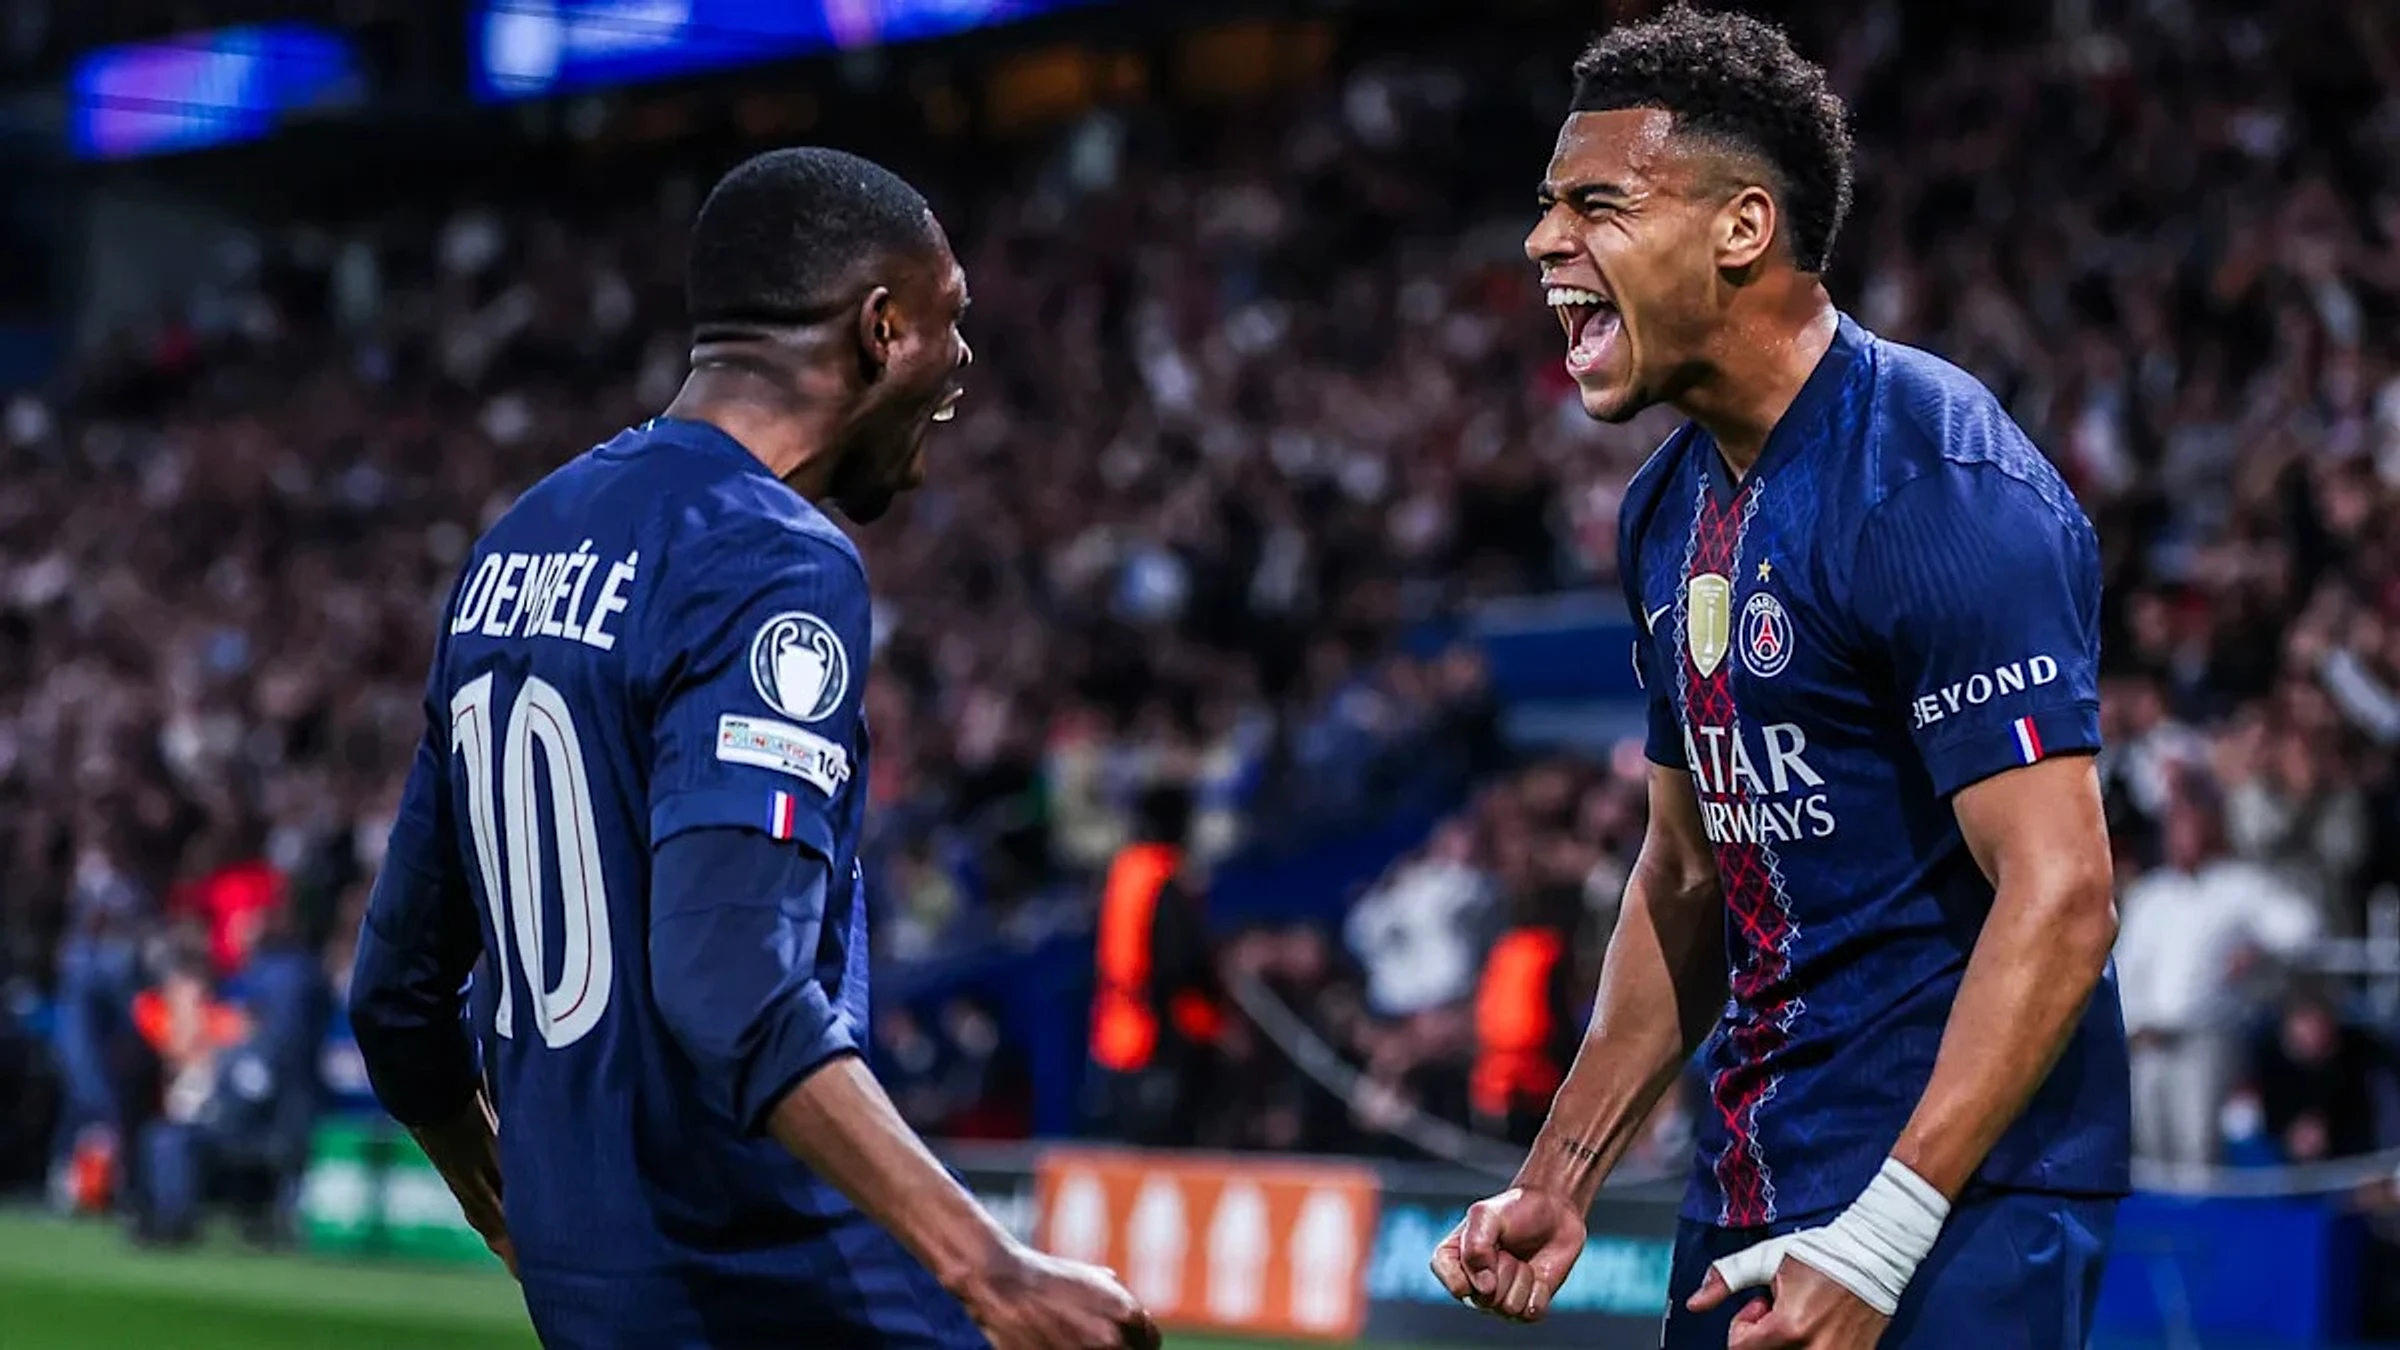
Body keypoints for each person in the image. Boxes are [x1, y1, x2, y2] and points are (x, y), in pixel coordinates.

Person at [347, 147, 1155, 1350]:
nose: (963, 360)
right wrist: (990, 1269)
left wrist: (508, 1208)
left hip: (599, 1299)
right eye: (951, 319)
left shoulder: (517, 546)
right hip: (775, 1282)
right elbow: (730, 982)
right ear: (882, 328)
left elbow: (396, 999)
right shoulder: (768, 555)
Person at [1430, 9, 2130, 1348]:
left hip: (1961, 1206)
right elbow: (1686, 875)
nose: (1541, 241)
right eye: (1547, 205)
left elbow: (2062, 892)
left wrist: (1883, 1236)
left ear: (1741, 229)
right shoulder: (1663, 510)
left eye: (1595, 204)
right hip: (1749, 1184)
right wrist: (1560, 1174)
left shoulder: (1935, 481)